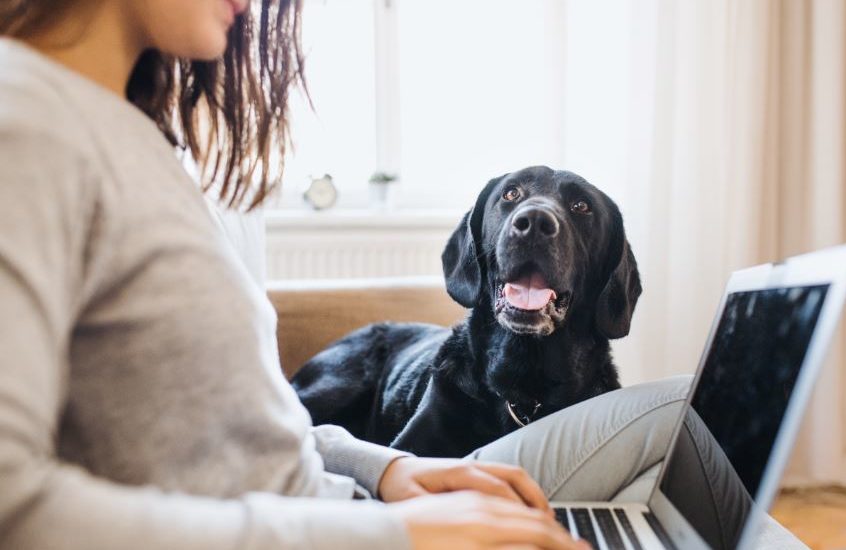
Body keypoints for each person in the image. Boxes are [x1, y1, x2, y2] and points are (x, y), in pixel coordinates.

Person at [0, 1, 693, 548]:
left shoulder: (137, 143)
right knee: (686, 412)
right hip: (352, 531)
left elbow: (246, 429)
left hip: (361, 505)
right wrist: (386, 536)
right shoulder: (28, 122)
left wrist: (387, 469)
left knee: (666, 505)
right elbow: (14, 508)